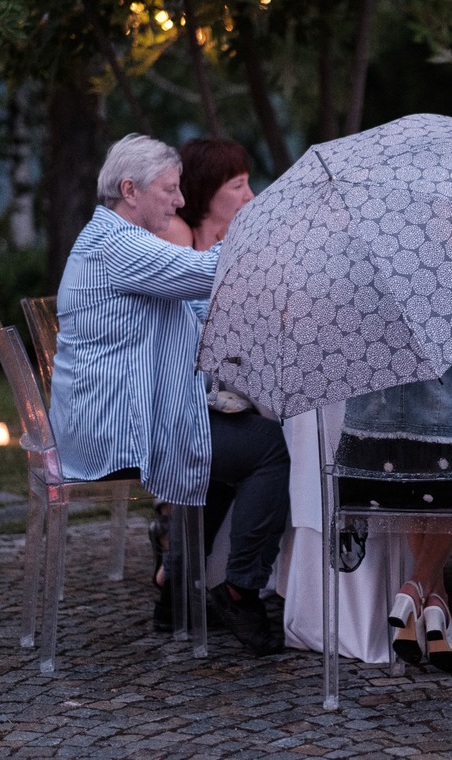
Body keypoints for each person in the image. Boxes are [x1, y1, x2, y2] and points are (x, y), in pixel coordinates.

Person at [48, 133, 290, 656]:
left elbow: (192, 311)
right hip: (115, 430)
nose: (181, 202)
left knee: (223, 441)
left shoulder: (118, 242)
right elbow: (209, 273)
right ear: (130, 190)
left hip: (113, 417)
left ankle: (178, 587)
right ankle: (240, 586)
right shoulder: (119, 245)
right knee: (269, 449)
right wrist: (264, 227)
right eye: (170, 190)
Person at [334, 317, 452, 674]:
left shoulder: (356, 286)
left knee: (412, 464)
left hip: (368, 462)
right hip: (449, 463)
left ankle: (433, 603)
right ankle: (418, 587)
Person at [148, 137, 256, 599]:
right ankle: (232, 583)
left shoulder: (232, 242)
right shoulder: (177, 236)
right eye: (238, 185)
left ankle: (181, 561)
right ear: (208, 190)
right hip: (172, 399)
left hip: (211, 391)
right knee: (265, 449)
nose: (250, 196)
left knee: (251, 432)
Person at [160, 137, 255, 250]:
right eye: (238, 186)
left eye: (247, 183)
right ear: (205, 190)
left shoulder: (230, 233)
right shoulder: (175, 231)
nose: (250, 196)